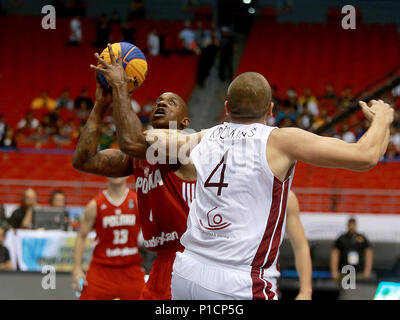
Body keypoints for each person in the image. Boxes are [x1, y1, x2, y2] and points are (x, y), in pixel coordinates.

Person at [144, 72, 392, 300]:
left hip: (187, 271)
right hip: (238, 280)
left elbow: (150, 138)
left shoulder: (204, 136)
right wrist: (382, 118)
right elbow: (367, 156)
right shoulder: (280, 141)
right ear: (271, 110)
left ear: (227, 108)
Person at [73, 45, 196, 300]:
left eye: (171, 101)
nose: (162, 103)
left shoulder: (185, 144)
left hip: (188, 260)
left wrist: (119, 87)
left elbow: (130, 141)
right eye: (158, 101)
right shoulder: (139, 155)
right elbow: (84, 161)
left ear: (185, 121)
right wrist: (100, 104)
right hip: (160, 261)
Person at [72, 177, 145, 300]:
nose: (116, 173)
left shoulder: (137, 201)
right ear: (105, 173)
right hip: (102, 269)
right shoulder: (95, 204)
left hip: (130, 269)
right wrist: (77, 269)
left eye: (118, 168)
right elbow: (81, 236)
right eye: (111, 168)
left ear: (127, 174)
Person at [285, 191, 312, 300]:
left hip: (261, 281)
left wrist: (306, 291)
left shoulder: (286, 197)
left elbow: (301, 247)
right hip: (226, 274)